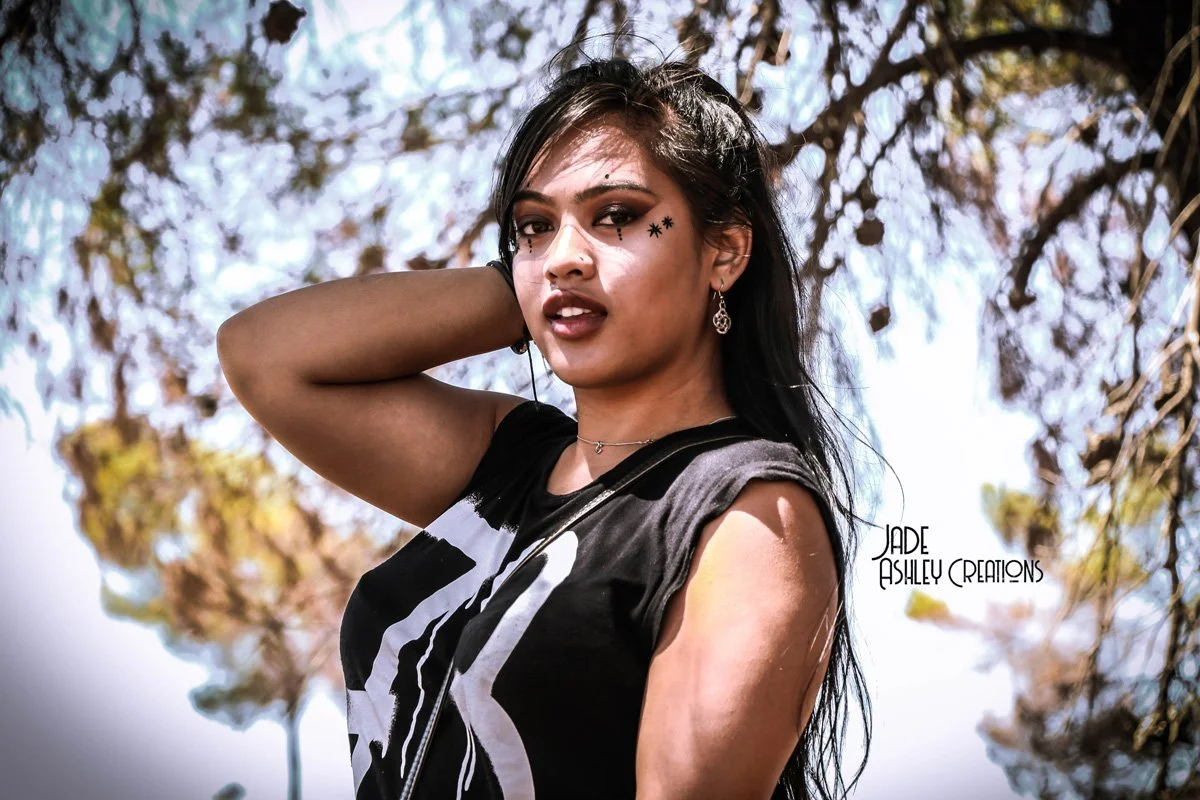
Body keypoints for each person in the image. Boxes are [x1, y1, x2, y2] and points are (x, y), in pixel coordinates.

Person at [217, 40, 872, 800]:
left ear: (724, 251)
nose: (563, 253)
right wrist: (541, 284)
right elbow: (263, 356)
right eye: (532, 225)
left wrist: (564, 273)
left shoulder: (752, 510)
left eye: (618, 215)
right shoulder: (509, 464)